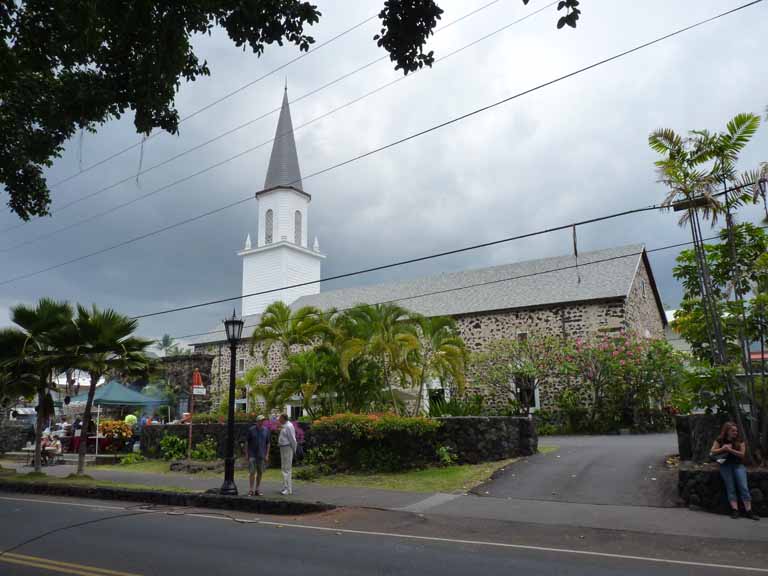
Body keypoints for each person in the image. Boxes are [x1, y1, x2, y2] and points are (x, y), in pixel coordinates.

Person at [710, 421, 760, 521]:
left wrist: (730, 450)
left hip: (738, 466)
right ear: (727, 431)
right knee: (730, 487)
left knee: (743, 487)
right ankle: (735, 510)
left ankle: (749, 511)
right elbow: (712, 451)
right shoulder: (720, 439)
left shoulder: (740, 440)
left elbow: (742, 454)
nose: (735, 432)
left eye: (736, 431)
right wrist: (723, 448)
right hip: (725, 466)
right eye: (733, 431)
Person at [245, 415, 271, 496]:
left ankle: (257, 489)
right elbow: (246, 442)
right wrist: (246, 454)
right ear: (257, 421)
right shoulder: (251, 430)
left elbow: (268, 443)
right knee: (252, 472)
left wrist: (267, 454)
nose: (262, 422)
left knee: (260, 473)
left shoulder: (266, 430)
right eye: (261, 420)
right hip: (252, 454)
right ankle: (251, 489)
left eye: (263, 420)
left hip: (261, 455)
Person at [277, 414, 297, 496]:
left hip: (287, 448)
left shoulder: (289, 426)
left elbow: (292, 439)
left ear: (284, 418)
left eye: (280, 418)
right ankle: (286, 487)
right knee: (284, 468)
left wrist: (294, 450)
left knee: (287, 468)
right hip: (283, 448)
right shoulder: (284, 425)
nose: (279, 419)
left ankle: (288, 489)